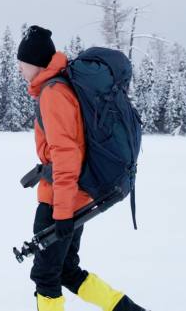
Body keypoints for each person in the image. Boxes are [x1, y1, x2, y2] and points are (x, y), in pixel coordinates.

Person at [16, 26, 147, 311]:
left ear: (35, 63)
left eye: (22, 64)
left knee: (46, 276)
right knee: (66, 271)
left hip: (60, 200)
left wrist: (61, 213)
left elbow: (66, 154)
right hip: (75, 196)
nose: (20, 70)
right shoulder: (59, 87)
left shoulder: (53, 93)